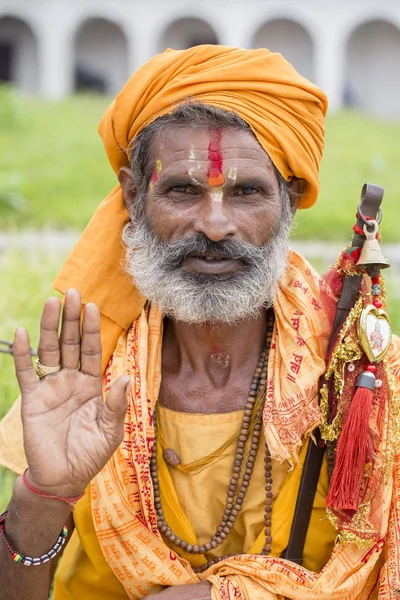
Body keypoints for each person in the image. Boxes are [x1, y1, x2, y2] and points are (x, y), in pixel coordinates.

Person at [0, 45, 399, 600]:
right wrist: (43, 495)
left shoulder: (359, 373)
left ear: (289, 200)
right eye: (184, 190)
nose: (215, 226)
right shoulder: (87, 378)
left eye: (247, 192)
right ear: (135, 196)